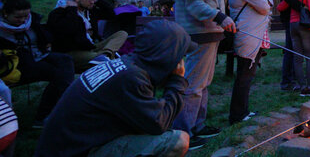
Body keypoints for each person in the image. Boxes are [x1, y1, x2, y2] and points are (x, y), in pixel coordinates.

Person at [35, 19, 193, 157]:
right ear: (167, 55)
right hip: (77, 152)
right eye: (180, 55)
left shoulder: (127, 65)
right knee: (178, 141)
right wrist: (177, 81)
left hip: (69, 145)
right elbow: (159, 123)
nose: (181, 61)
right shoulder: (132, 78)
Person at [171, 0, 236, 149]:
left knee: (203, 82)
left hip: (204, 32)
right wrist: (221, 17)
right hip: (200, 32)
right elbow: (194, 2)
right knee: (194, 84)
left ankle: (197, 125)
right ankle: (184, 132)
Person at [0, 0, 75, 127]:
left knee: (65, 61)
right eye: (18, 17)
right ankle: (46, 115)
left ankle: (55, 109)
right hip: (15, 64)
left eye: (25, 15)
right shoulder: (2, 30)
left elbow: (43, 34)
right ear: (5, 14)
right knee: (58, 74)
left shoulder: (31, 21)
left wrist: (46, 41)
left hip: (38, 55)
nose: (23, 20)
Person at [226, 0, 272, 124]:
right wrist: (267, 2)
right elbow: (265, 7)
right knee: (244, 76)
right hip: (248, 35)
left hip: (248, 33)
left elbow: (263, 4)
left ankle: (242, 111)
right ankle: (238, 115)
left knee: (245, 75)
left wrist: (265, 1)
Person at [47, 0, 128, 72]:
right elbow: (71, 29)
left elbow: (111, 14)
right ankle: (106, 56)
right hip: (72, 51)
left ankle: (105, 55)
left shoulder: (90, 12)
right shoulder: (60, 13)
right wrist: (72, 9)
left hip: (91, 46)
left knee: (122, 34)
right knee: (103, 60)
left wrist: (99, 0)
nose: (92, 2)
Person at [279, 0, 303, 91]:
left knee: (294, 48)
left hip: (292, 17)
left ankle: (293, 77)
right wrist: (301, 7)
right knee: (290, 49)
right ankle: (287, 81)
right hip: (290, 18)